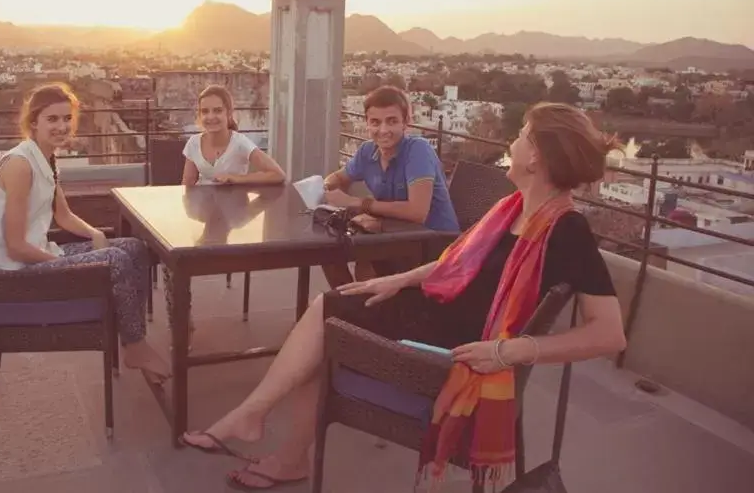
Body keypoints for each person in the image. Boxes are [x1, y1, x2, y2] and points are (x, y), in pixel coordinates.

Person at [181, 102, 627, 491]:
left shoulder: (567, 229)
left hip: (457, 347)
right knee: (330, 310)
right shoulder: (514, 207)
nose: (513, 142)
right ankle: (265, 430)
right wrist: (397, 280)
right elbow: (457, 264)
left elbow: (609, 335)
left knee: (328, 325)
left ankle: (263, 430)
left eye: (522, 137)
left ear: (539, 158)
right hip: (437, 314)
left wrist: (511, 350)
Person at [0, 82, 169, 382]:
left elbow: (64, 216)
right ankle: (136, 345)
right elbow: (15, 246)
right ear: (34, 122)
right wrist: (59, 265)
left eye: (67, 118)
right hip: (15, 273)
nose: (62, 126)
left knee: (134, 248)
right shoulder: (20, 165)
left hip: (37, 257)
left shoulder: (45, 158)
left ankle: (134, 342)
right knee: (115, 261)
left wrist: (95, 233)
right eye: (52, 119)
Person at [322, 85, 459, 286]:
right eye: (375, 122)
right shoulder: (367, 151)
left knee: (364, 251)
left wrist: (357, 203)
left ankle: (366, 310)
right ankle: (352, 308)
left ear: (406, 123)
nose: (383, 130)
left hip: (435, 245)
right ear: (367, 123)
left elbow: (417, 212)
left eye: (392, 121)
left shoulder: (417, 151)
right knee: (330, 251)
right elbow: (339, 177)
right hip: (395, 234)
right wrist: (327, 186)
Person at [182, 85, 286, 187]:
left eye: (218, 110)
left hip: (235, 203)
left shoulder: (240, 143)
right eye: (205, 111)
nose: (211, 116)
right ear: (199, 115)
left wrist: (237, 179)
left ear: (229, 113)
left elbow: (278, 174)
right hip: (202, 202)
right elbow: (187, 185)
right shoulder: (193, 143)